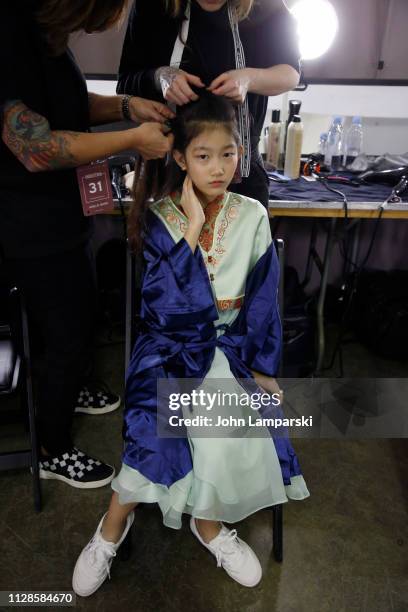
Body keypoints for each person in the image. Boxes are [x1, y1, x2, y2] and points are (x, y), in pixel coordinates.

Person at [72, 92, 309, 596]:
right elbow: (166, 312)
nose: (218, 167)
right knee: (155, 430)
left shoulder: (253, 216)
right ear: (180, 158)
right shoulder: (160, 219)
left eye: (228, 154)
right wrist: (194, 230)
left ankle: (209, 526)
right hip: (169, 347)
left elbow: (264, 300)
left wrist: (262, 367)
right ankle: (112, 526)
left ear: (241, 152)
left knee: (226, 425)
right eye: (203, 156)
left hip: (233, 347)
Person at [0, 0, 174, 489]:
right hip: (28, 224)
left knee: (81, 316)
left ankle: (70, 389)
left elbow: (68, 105)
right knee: (65, 333)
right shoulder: (9, 32)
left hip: (61, 214)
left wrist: (125, 106)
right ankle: (52, 450)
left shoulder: (44, 30)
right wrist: (132, 140)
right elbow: (35, 148)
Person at [117, 0, 300, 208]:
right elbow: (126, 83)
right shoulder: (154, 6)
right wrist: (160, 76)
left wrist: (249, 78)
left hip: (242, 173)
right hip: (168, 170)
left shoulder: (266, 6)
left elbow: (291, 73)